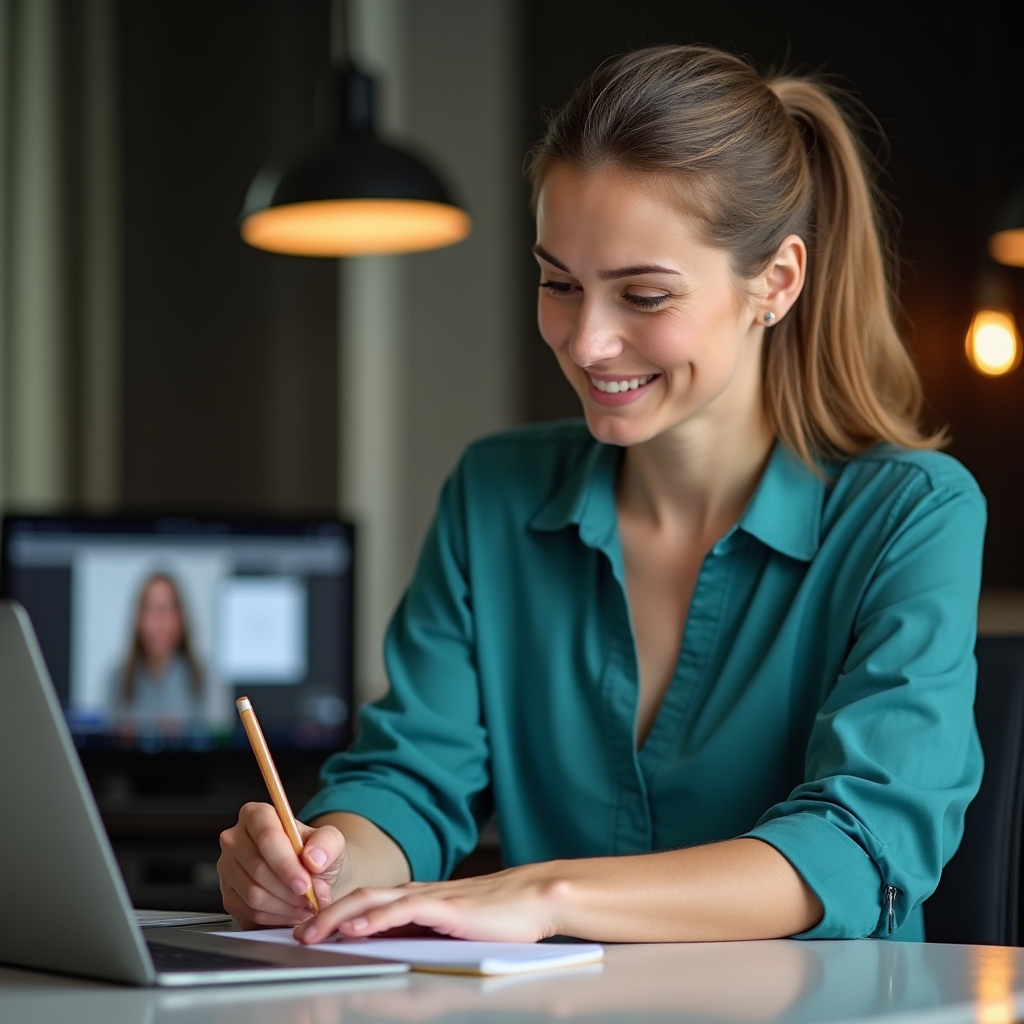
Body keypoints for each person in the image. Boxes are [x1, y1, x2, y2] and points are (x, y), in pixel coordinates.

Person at [217, 44, 985, 944]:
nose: (585, 343)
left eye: (645, 296)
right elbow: (410, 779)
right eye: (558, 284)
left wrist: (547, 896)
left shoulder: (914, 514)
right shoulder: (493, 494)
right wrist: (323, 862)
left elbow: (858, 848)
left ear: (775, 282)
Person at [111, 572, 206, 730]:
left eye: (167, 609)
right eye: (152, 609)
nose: (160, 621)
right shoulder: (117, 679)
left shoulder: (204, 679)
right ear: (138, 618)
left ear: (181, 618)